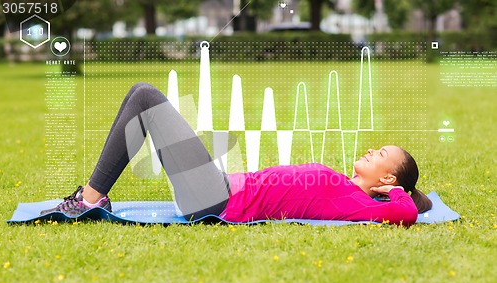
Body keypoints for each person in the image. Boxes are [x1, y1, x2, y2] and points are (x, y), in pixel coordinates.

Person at [40, 83, 432, 227]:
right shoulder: (348, 188)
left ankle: (89, 200)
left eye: (381, 153)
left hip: (213, 199)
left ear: (388, 178)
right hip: (216, 184)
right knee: (137, 98)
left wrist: (400, 194)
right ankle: (93, 196)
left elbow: (407, 211)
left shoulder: (359, 204)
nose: (370, 150)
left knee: (146, 97)